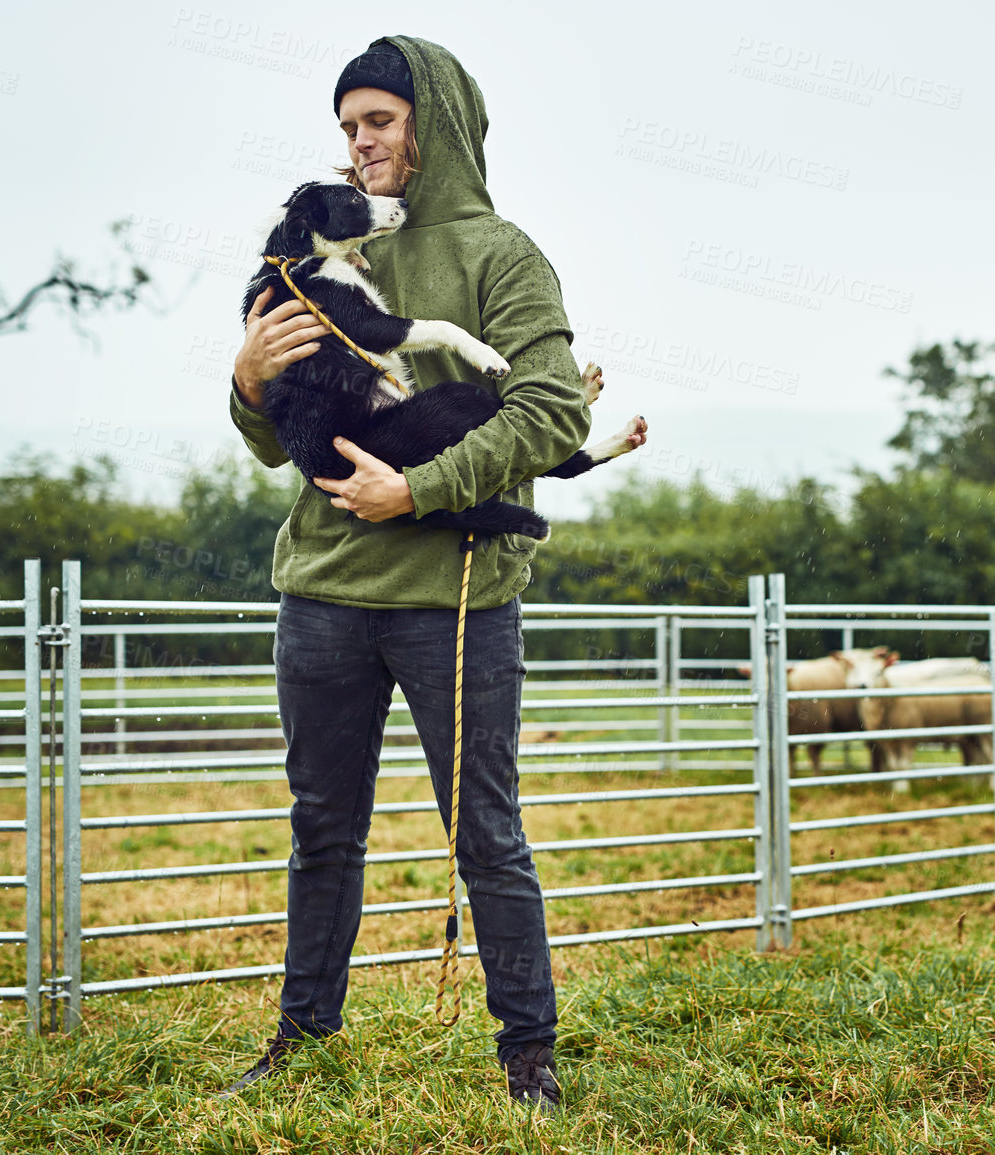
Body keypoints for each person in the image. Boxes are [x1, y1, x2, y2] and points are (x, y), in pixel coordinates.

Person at [217, 36, 614, 1114]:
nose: (359, 144)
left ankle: (527, 1054)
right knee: (320, 830)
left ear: (433, 125)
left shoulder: (502, 256)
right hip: (322, 594)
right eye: (348, 126)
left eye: (379, 122)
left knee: (485, 829)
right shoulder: (315, 246)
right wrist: (247, 381)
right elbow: (273, 437)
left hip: (456, 599)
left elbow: (550, 410)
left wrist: (420, 488)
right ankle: (303, 1040)